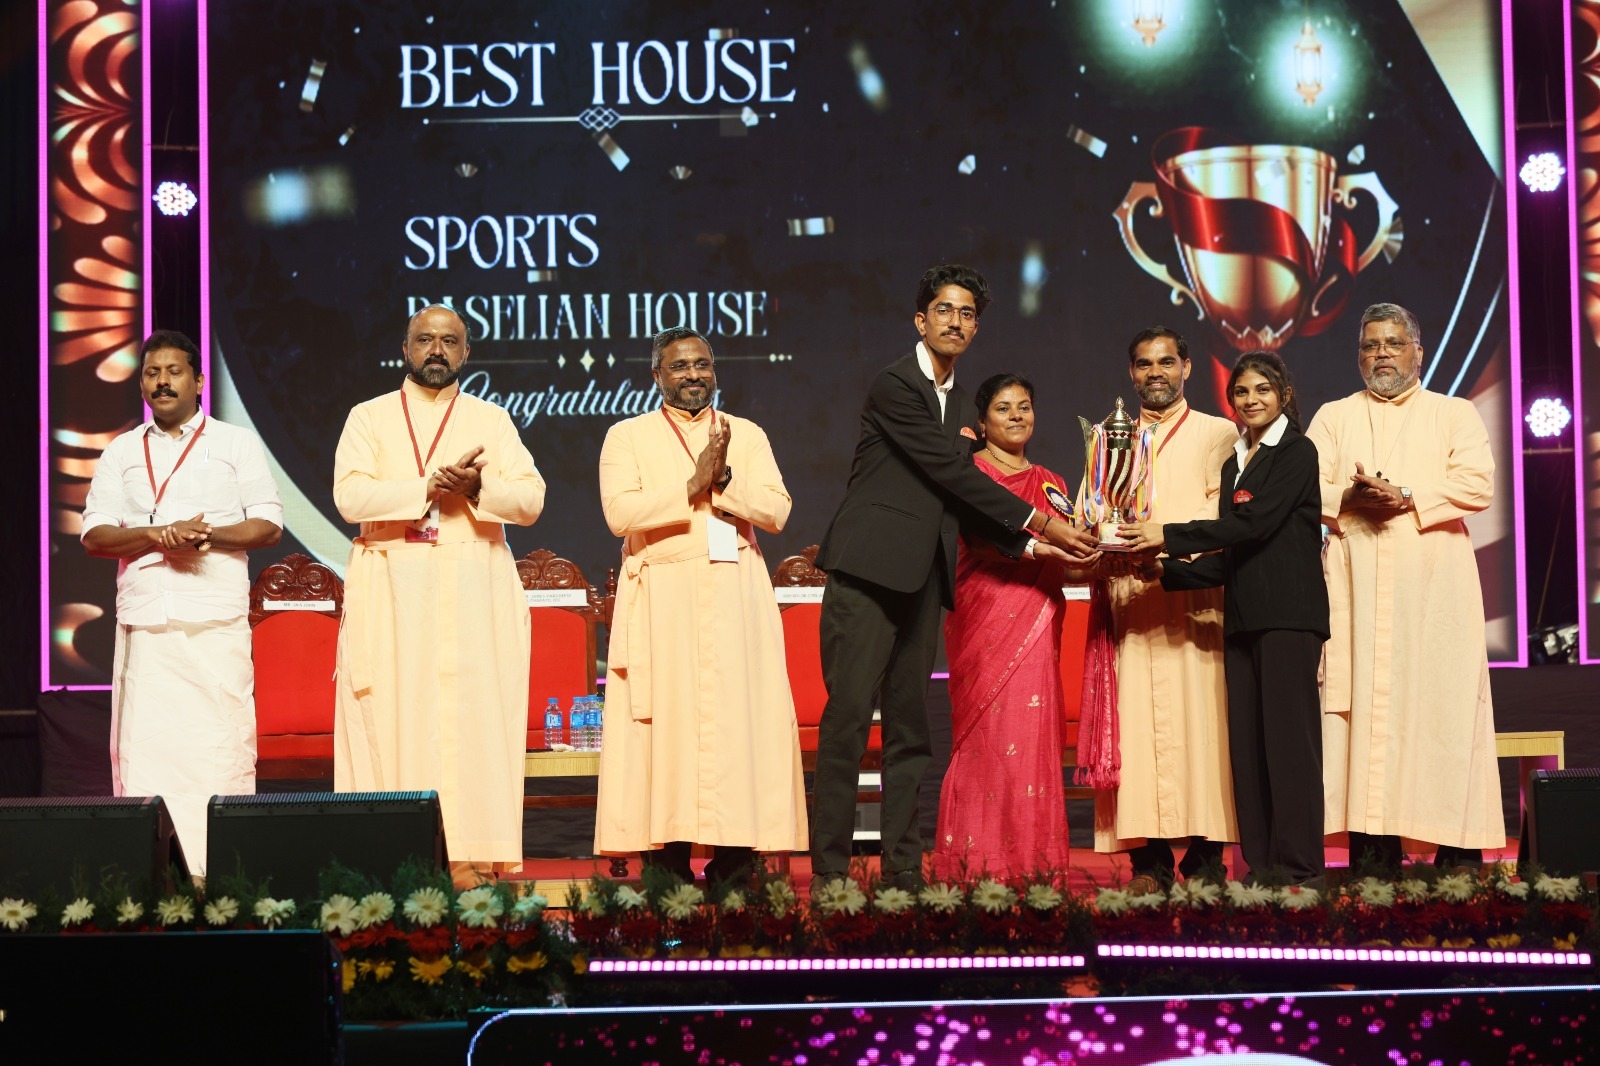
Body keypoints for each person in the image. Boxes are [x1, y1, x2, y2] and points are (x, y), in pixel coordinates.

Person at [810, 264, 1098, 892]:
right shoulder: (895, 385)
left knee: (910, 733)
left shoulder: (967, 405)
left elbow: (968, 505)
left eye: (968, 313)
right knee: (849, 724)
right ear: (921, 320)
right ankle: (831, 873)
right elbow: (951, 472)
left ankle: (902, 871)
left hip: (924, 581)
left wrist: (1038, 548)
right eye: (945, 309)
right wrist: (1043, 524)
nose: (956, 321)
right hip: (867, 573)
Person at [333, 304, 546, 880]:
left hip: (474, 588)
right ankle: (395, 860)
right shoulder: (368, 417)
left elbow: (530, 500)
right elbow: (350, 498)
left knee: (473, 722)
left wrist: (477, 487)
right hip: (393, 591)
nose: (436, 350)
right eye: (424, 339)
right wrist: (426, 486)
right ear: (405, 349)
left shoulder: (491, 419)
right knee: (395, 717)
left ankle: (474, 859)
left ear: (466, 353)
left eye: (449, 341)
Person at [593, 328, 807, 884]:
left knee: (736, 725)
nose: (694, 375)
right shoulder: (627, 435)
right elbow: (620, 514)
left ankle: (735, 865)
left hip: (735, 597)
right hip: (661, 602)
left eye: (703, 365)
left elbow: (777, 512)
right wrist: (693, 484)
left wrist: (724, 478)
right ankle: (667, 866)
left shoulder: (746, 434)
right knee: (666, 733)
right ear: (657, 375)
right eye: (680, 366)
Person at [1303, 302, 1504, 872]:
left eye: (1393, 344)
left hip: (1434, 594)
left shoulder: (1453, 412)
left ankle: (1457, 856)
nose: (1382, 355)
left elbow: (1476, 484)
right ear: (1358, 356)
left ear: (1418, 351)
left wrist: (1407, 495)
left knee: (1442, 712)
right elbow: (1301, 486)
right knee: (1364, 719)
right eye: (1371, 345)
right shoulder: (1334, 416)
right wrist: (1350, 497)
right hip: (1356, 590)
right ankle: (1375, 858)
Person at [1121, 350, 1330, 886]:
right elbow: (1227, 558)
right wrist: (1164, 571)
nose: (1251, 400)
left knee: (1290, 746)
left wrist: (1167, 535)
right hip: (1241, 619)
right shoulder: (1236, 461)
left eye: (1262, 389)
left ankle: (1302, 870)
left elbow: (1254, 524)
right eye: (1241, 392)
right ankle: (1263, 867)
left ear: (1283, 395)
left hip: (1288, 618)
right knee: (1251, 750)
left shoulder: (1297, 451)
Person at [82, 329, 283, 877]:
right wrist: (156, 534)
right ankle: (154, 877)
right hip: (147, 623)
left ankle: (222, 875)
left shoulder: (236, 443)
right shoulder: (122, 450)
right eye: (152, 373)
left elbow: (268, 524)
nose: (162, 381)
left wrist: (206, 535)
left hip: (215, 621)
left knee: (219, 748)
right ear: (142, 385)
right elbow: (95, 535)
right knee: (146, 752)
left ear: (199, 381)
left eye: (174, 371)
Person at [1093, 327, 1241, 893]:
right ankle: (1149, 866)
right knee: (1135, 736)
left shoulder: (1218, 433)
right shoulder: (1109, 436)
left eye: (1165, 362)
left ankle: (1206, 864)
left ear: (1186, 368)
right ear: (1131, 372)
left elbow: (1224, 519)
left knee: (1207, 731)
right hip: (1131, 603)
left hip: (1196, 600)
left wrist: (1163, 543)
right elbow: (1094, 508)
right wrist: (1103, 539)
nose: (1155, 373)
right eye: (1143, 364)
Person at [931, 373, 1075, 880]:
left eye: (1024, 406)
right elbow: (983, 542)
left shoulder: (1053, 483)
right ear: (981, 422)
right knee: (986, 737)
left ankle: (1033, 868)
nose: (1017, 415)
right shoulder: (970, 474)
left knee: (1031, 738)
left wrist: (1102, 552)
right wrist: (1051, 548)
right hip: (985, 614)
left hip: (1038, 614)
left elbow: (1070, 551)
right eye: (1003, 407)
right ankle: (975, 867)